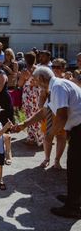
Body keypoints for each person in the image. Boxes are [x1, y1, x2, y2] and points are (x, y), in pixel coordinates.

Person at [13, 66, 81, 219]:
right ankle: (74, 198)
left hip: (79, 128)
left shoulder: (57, 87)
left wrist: (50, 135)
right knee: (75, 167)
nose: (35, 84)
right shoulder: (55, 87)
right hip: (77, 128)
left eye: (36, 81)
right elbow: (44, 111)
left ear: (43, 79)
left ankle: (74, 207)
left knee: (75, 167)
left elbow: (62, 116)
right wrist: (24, 124)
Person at [39, 58, 67, 169]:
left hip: (62, 112)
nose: (55, 69)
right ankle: (47, 158)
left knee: (61, 136)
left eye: (58, 67)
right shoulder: (48, 80)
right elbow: (42, 100)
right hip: (50, 112)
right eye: (53, 67)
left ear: (63, 68)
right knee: (47, 136)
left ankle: (57, 160)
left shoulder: (67, 80)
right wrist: (41, 108)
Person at [17, 52, 43, 147]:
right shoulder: (39, 69)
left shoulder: (24, 71)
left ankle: (31, 138)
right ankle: (40, 137)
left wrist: (21, 78)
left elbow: (20, 84)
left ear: (25, 60)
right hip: (38, 93)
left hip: (28, 93)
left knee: (29, 114)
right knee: (38, 114)